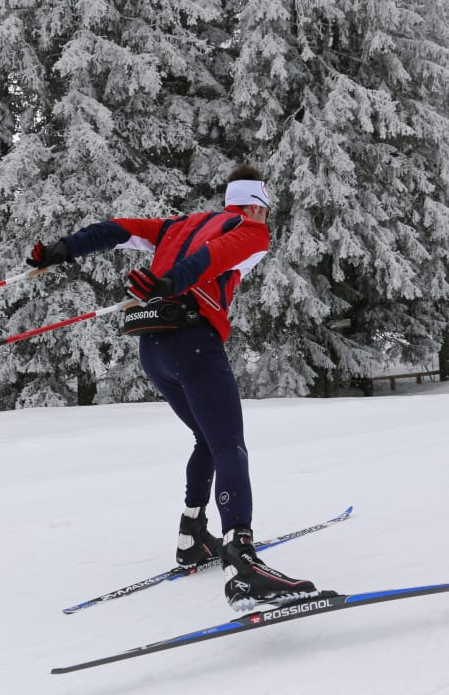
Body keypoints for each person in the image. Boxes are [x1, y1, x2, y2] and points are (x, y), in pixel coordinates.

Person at [27, 164, 318, 610]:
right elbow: (216, 257)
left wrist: (62, 250)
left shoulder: (177, 224)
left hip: (154, 351)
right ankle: (242, 561)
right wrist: (170, 283)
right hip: (193, 342)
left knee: (205, 437)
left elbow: (117, 229)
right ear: (257, 205)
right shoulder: (253, 230)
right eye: (264, 208)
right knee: (229, 446)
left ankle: (193, 536)